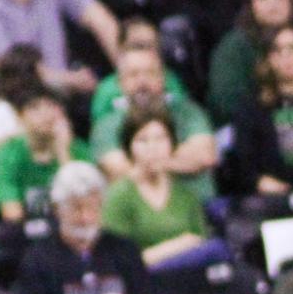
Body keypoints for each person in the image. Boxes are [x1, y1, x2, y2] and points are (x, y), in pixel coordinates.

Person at [11, 161, 156, 294]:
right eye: (76, 208)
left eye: (92, 207)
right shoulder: (37, 258)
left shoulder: (124, 248)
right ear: (57, 209)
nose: (85, 217)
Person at [89, 38, 217, 202]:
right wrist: (178, 160)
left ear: (163, 78)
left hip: (199, 209)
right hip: (136, 217)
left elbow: (205, 156)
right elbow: (120, 171)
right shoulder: (106, 125)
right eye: (133, 75)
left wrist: (143, 164)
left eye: (150, 73)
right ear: (121, 83)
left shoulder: (189, 113)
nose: (142, 82)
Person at [99, 104, 219, 268]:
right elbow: (118, 260)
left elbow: (201, 243)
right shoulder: (119, 195)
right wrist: (177, 246)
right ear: (130, 147)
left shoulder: (186, 195)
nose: (153, 148)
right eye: (143, 140)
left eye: (161, 139)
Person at [0, 86, 87, 224]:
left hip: (70, 230)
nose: (46, 114)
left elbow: (84, 208)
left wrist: (63, 154)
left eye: (51, 105)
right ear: (20, 117)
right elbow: (11, 214)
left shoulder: (80, 150)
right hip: (26, 233)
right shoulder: (6, 154)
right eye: (35, 108)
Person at [207, 0, 293, 125]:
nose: (273, 4)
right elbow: (225, 100)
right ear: (251, 4)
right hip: (249, 125)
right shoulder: (235, 45)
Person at [89, 15, 188, 135]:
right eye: (137, 45)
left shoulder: (171, 82)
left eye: (150, 45)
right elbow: (100, 136)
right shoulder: (106, 91)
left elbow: (184, 124)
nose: (144, 51)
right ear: (121, 47)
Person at [229, 23, 293, 197]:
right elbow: (244, 164)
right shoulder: (251, 108)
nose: (286, 56)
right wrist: (260, 182)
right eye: (278, 50)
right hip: (274, 198)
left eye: (292, 48)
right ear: (269, 58)